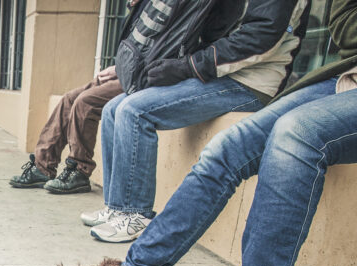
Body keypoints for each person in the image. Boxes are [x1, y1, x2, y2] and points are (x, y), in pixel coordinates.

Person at [49, 0, 357, 266]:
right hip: (345, 78)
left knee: (297, 136)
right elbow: (344, 29)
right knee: (227, 146)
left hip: (255, 79)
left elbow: (272, 31)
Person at [86, 0, 311, 242]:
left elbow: (261, 39)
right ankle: (117, 206)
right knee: (113, 108)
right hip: (214, 75)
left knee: (134, 111)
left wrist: (188, 66)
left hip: (251, 83)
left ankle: (135, 214)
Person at [9, 0, 220, 195]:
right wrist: (119, 67)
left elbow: (173, 45)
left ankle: (79, 170)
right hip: (130, 69)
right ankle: (42, 166)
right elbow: (143, 41)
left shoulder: (193, 7)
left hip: (151, 75)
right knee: (69, 99)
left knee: (86, 102)